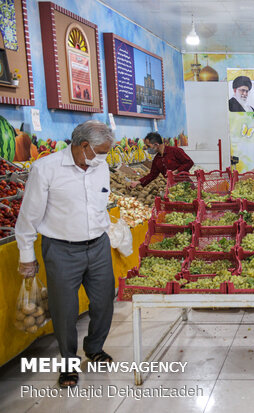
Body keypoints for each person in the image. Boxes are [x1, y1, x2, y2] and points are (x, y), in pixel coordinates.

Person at [15, 120, 115, 388]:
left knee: (104, 302)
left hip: (98, 246)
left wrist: (112, 230)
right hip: (61, 250)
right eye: (101, 151)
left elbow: (100, 205)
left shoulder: (100, 166)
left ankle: (94, 348)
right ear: (83, 146)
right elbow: (29, 215)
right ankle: (68, 363)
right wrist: (26, 253)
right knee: (64, 311)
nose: (105, 157)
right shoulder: (45, 169)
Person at [129, 132, 194, 188]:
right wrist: (138, 182)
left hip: (186, 185)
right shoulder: (157, 159)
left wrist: (176, 171)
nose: (147, 149)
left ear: (156, 144)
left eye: (148, 146)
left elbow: (189, 163)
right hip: (173, 188)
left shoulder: (175, 151)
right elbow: (152, 175)